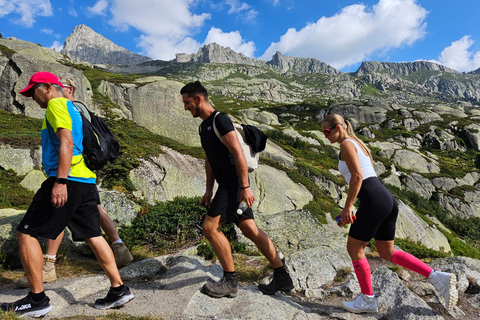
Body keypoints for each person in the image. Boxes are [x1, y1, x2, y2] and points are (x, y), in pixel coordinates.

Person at [1, 72, 134, 317]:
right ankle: (119, 289)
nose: (32, 97)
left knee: (26, 233)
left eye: (34, 91)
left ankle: (37, 300)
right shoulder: (73, 107)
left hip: (67, 178)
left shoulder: (56, 104)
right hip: (85, 180)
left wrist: (60, 182)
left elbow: (67, 142)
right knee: (94, 234)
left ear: (48, 87)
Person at [321, 113, 458, 313]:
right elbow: (366, 177)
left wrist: (348, 206)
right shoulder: (358, 143)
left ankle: (367, 300)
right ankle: (437, 277)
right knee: (387, 252)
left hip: (374, 200)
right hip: (385, 199)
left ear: (338, 127)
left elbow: (358, 177)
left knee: (354, 249)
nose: (325, 136)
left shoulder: (346, 145)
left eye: (327, 131)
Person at [180, 81, 294, 298]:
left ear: (198, 99)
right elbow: (209, 160)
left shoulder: (220, 119)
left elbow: (238, 153)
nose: (185, 107)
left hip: (234, 184)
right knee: (250, 230)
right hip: (225, 185)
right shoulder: (203, 126)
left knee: (210, 228)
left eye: (187, 102)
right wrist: (208, 189)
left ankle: (230, 281)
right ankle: (282, 275)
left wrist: (245, 187)